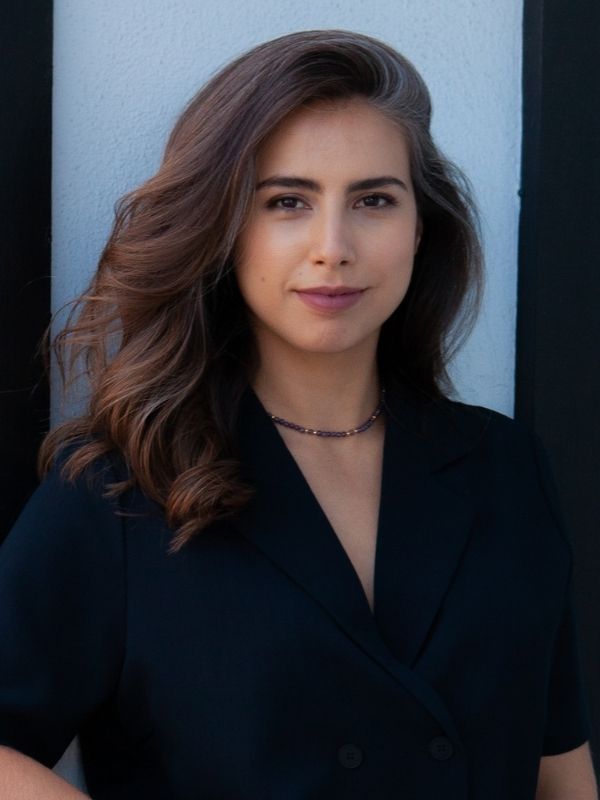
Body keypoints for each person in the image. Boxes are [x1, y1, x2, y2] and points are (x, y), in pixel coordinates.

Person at [0, 28, 596, 800]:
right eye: (287, 201)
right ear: (224, 227)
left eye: (374, 200)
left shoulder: (506, 468)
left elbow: (559, 768)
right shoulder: (122, 486)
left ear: (421, 227)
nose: (333, 246)